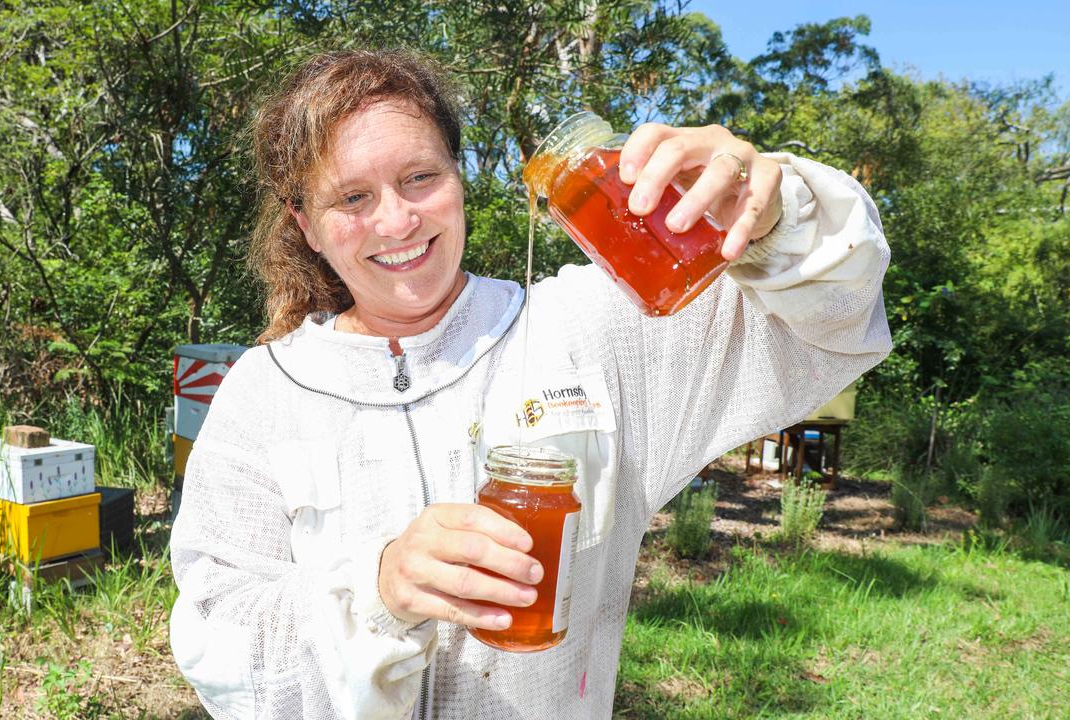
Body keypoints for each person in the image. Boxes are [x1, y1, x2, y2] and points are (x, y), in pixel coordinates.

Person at [169, 48, 890, 720]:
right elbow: (218, 642)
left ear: (459, 179)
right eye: (352, 198)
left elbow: (830, 325)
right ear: (307, 225)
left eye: (421, 177)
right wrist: (379, 590)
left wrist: (766, 220)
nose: (396, 219)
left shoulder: (591, 329)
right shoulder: (264, 392)